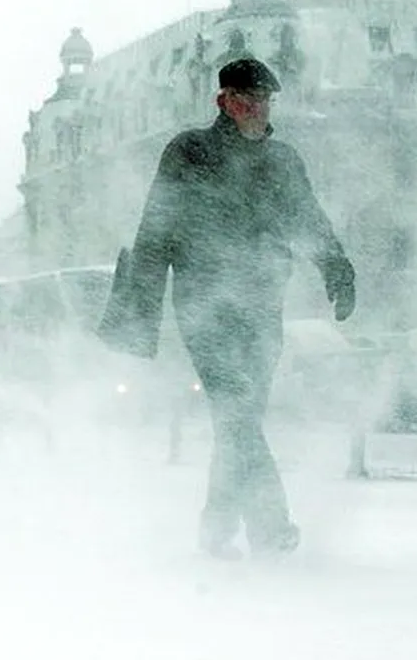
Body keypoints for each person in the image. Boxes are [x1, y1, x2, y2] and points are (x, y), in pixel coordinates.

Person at [98, 57, 357, 560]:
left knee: (239, 421)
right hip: (204, 305)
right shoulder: (190, 151)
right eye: (245, 99)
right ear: (223, 101)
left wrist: (338, 270)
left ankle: (215, 528)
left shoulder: (283, 160)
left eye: (263, 100)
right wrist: (138, 315)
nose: (256, 108)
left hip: (262, 305)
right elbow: (157, 227)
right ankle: (271, 526)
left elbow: (309, 218)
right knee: (238, 412)